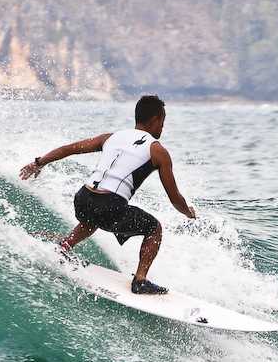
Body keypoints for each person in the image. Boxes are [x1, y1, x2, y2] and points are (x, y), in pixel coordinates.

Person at [19, 95, 196, 295]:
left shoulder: (111, 137)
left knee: (92, 217)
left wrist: (38, 163)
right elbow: (174, 198)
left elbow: (70, 149)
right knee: (154, 228)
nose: (162, 128)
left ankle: (65, 245)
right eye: (162, 123)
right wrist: (187, 212)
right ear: (155, 119)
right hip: (110, 205)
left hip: (83, 198)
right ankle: (140, 280)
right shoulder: (157, 151)